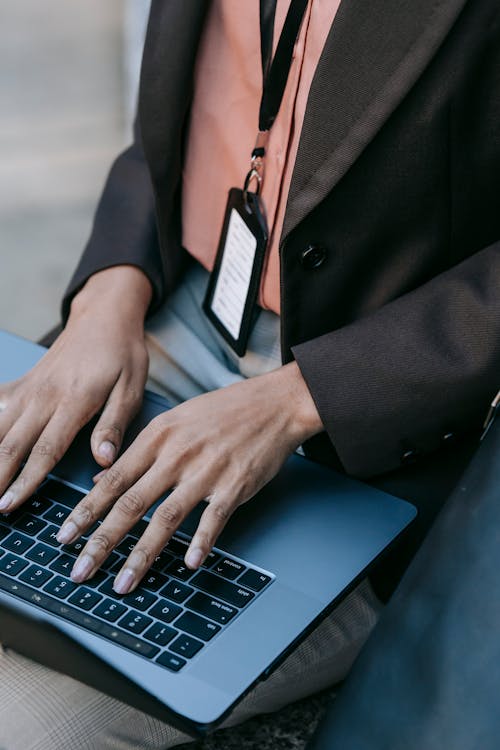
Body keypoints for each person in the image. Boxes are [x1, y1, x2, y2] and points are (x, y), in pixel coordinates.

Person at [0, 1, 499, 747]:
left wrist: (301, 397)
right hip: (163, 317)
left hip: (368, 433)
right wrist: (109, 291)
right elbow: (172, 130)